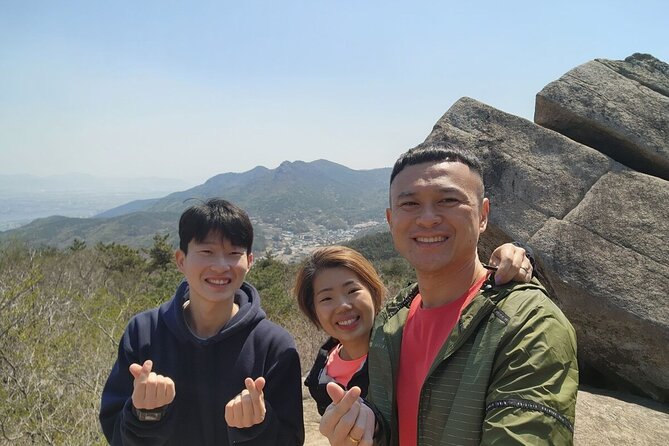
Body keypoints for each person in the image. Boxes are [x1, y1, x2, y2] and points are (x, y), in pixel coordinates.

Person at [319, 143, 578, 446]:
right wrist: (370, 433)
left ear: (483, 216)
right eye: (410, 204)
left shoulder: (529, 325)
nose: (428, 218)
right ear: (391, 221)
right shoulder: (391, 324)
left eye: (448, 200)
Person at [99, 198, 304, 445]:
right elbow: (116, 435)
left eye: (233, 254)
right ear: (181, 260)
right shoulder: (143, 333)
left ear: (249, 262)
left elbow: (290, 439)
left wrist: (256, 427)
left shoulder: (274, 346)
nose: (221, 266)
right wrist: (145, 414)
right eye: (207, 252)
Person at [296, 242, 533, 416]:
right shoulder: (321, 373)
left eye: (352, 291)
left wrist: (514, 257)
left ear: (373, 291)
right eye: (326, 299)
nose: (344, 306)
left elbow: (455, 297)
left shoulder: (406, 344)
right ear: (313, 310)